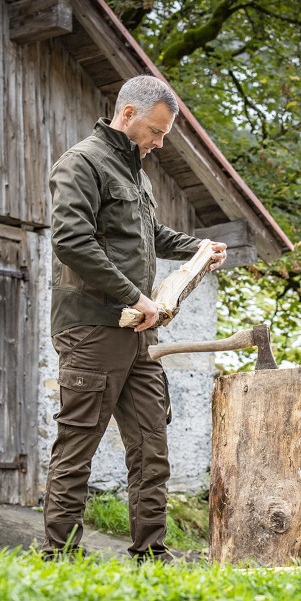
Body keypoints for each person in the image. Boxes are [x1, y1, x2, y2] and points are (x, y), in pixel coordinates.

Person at [44, 75, 227, 561]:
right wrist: (135, 296)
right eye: (155, 130)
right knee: (77, 445)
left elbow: (152, 236)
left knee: (151, 446)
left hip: (138, 335)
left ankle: (150, 553)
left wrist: (199, 249)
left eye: (165, 134)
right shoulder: (81, 163)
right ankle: (59, 555)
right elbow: (71, 242)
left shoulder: (137, 177)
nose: (159, 143)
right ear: (127, 115)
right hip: (91, 328)